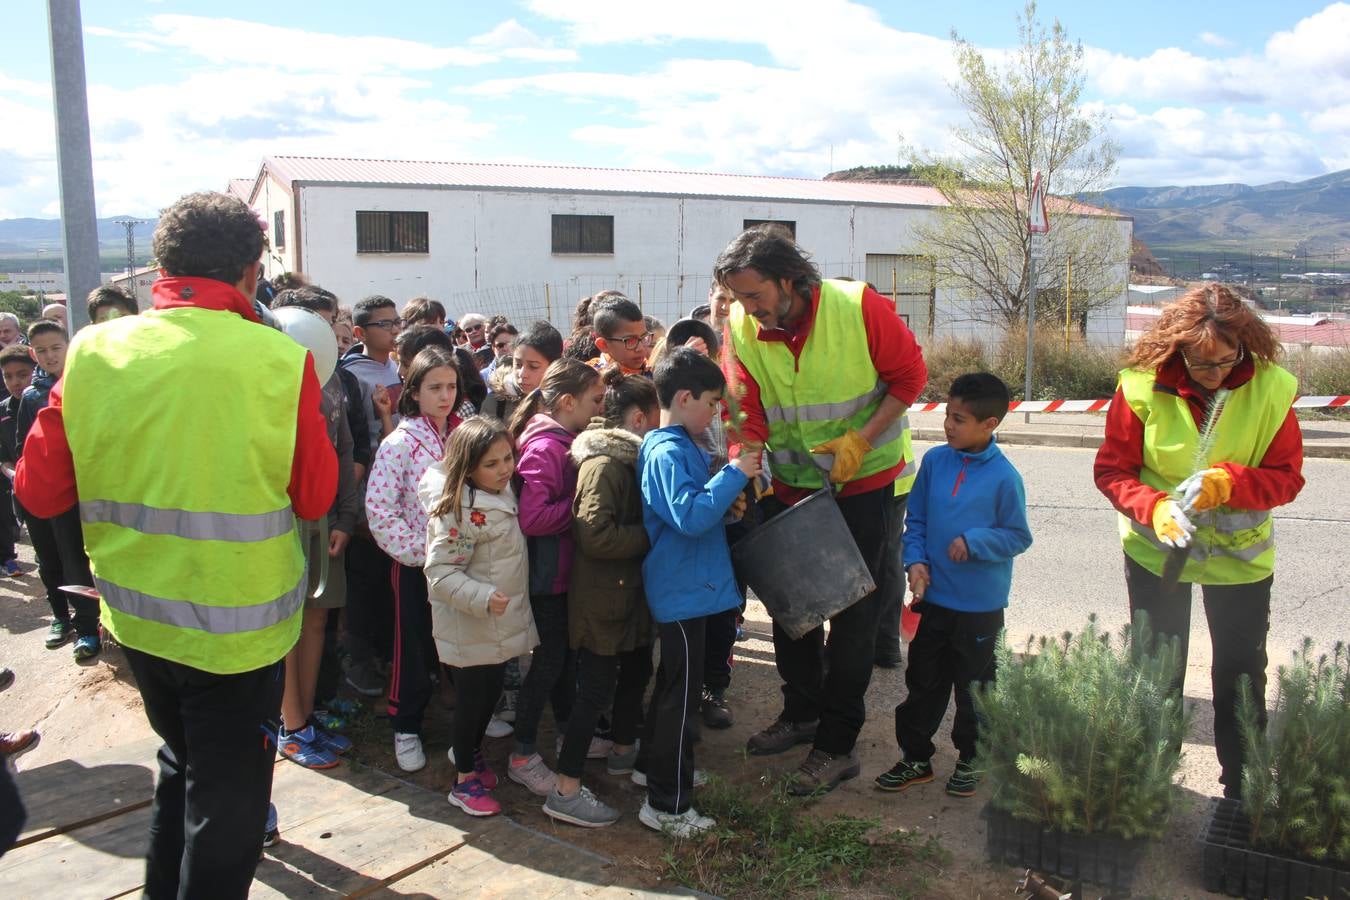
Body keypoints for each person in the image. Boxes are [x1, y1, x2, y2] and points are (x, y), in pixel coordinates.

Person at [15, 190, 336, 898]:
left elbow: (38, 494)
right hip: (238, 630)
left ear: (161, 269)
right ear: (252, 274)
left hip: (136, 619)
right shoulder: (280, 362)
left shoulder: (91, 351)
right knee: (228, 803)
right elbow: (315, 497)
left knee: (180, 766)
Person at [716, 225, 927, 795]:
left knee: (853, 617)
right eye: (738, 298)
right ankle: (802, 713)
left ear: (790, 282)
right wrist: (745, 462)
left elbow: (911, 377)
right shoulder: (740, 324)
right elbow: (742, 406)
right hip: (789, 486)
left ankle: (837, 745)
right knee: (793, 612)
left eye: (755, 296)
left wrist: (861, 437)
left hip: (862, 485)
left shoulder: (858, 306)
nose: (747, 309)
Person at [1093, 282, 1303, 800]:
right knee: (1155, 668)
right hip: (1156, 553)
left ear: (1245, 346)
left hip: (1240, 562)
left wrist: (1234, 482)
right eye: (1199, 363)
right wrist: (1155, 507)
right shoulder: (1140, 387)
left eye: (1226, 362)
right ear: (1175, 347)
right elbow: (1113, 471)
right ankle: (1148, 781)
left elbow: (1287, 478)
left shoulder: (1272, 389)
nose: (1214, 376)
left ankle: (1241, 788)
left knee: (1240, 673)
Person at [877, 373, 1031, 797]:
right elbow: (918, 521)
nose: (948, 426)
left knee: (975, 688)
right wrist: (917, 562)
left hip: (980, 607)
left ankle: (971, 758)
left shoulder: (1004, 478)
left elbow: (1019, 536)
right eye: (948, 415)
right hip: (935, 599)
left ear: (990, 424)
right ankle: (915, 758)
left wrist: (976, 542)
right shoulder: (935, 462)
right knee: (923, 681)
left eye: (959, 419)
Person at [635, 347, 759, 837]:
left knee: (674, 691)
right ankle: (666, 804)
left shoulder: (680, 443)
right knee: (680, 702)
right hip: (683, 593)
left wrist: (727, 505)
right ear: (684, 397)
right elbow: (688, 516)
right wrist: (735, 474)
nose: (715, 413)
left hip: (694, 589)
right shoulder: (667, 450)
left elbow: (694, 511)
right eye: (710, 402)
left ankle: (654, 768)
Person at [546, 369, 659, 828]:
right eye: (657, 418)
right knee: (594, 690)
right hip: (602, 601)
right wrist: (651, 534)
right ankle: (565, 788)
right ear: (637, 419)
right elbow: (595, 535)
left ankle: (621, 754)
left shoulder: (628, 460)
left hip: (625, 596)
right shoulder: (603, 465)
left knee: (637, 669)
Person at [422, 416, 539, 817]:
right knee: (473, 703)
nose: (505, 468)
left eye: (508, 457)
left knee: (488, 697)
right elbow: (440, 573)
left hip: (493, 625)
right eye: (492, 463)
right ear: (468, 466)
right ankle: (463, 780)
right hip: (471, 626)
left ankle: (470, 757)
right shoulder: (461, 510)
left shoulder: (498, 493)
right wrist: (484, 596)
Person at [270, 286, 361, 769]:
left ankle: (307, 713)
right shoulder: (266, 383)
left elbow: (343, 450)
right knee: (288, 621)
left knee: (317, 617)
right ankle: (292, 723)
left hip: (324, 515)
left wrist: (345, 516)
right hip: (282, 516)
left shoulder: (331, 384)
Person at [504, 357, 604, 796]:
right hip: (548, 578)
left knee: (562, 661)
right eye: (595, 400)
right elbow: (533, 518)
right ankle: (522, 753)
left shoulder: (565, 437)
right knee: (546, 665)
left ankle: (566, 732)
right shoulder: (546, 448)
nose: (600, 408)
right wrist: (582, 507)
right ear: (567, 402)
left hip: (561, 574)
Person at [365, 347, 462, 772]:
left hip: (460, 561)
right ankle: (406, 724)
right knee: (415, 646)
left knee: (459, 638)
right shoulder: (399, 443)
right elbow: (380, 509)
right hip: (416, 567)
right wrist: (421, 555)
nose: (445, 396)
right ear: (414, 392)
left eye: (451, 387)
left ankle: (469, 716)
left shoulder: (460, 435)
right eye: (435, 387)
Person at [16, 320, 101, 660]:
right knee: (58, 561)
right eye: (41, 351)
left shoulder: (85, 382)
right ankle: (71, 623)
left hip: (82, 492)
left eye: (55, 348)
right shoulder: (32, 397)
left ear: (69, 345)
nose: (49, 356)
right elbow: (25, 447)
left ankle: (93, 626)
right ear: (32, 354)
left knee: (83, 561)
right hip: (49, 493)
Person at [339, 294, 405, 698]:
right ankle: (361, 662)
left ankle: (386, 655)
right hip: (368, 489)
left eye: (396, 322)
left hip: (399, 487)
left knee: (388, 583)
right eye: (385, 324)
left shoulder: (397, 367)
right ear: (361, 333)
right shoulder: (353, 375)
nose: (394, 329)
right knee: (364, 581)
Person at [482, 321, 563, 423]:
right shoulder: (496, 401)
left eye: (533, 366)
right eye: (518, 365)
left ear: (553, 366)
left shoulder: (566, 403)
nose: (522, 374)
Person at [0, 343, 35, 577]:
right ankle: (7, 558)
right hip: (19, 486)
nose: (15, 382)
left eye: (22, 375)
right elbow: (2, 455)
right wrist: (13, 474)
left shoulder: (44, 403)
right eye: (8, 377)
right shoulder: (3, 411)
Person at [587, 295, 654, 376]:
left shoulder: (653, 371)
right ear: (603, 345)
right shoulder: (590, 380)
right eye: (630, 340)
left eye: (644, 337)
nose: (641, 348)